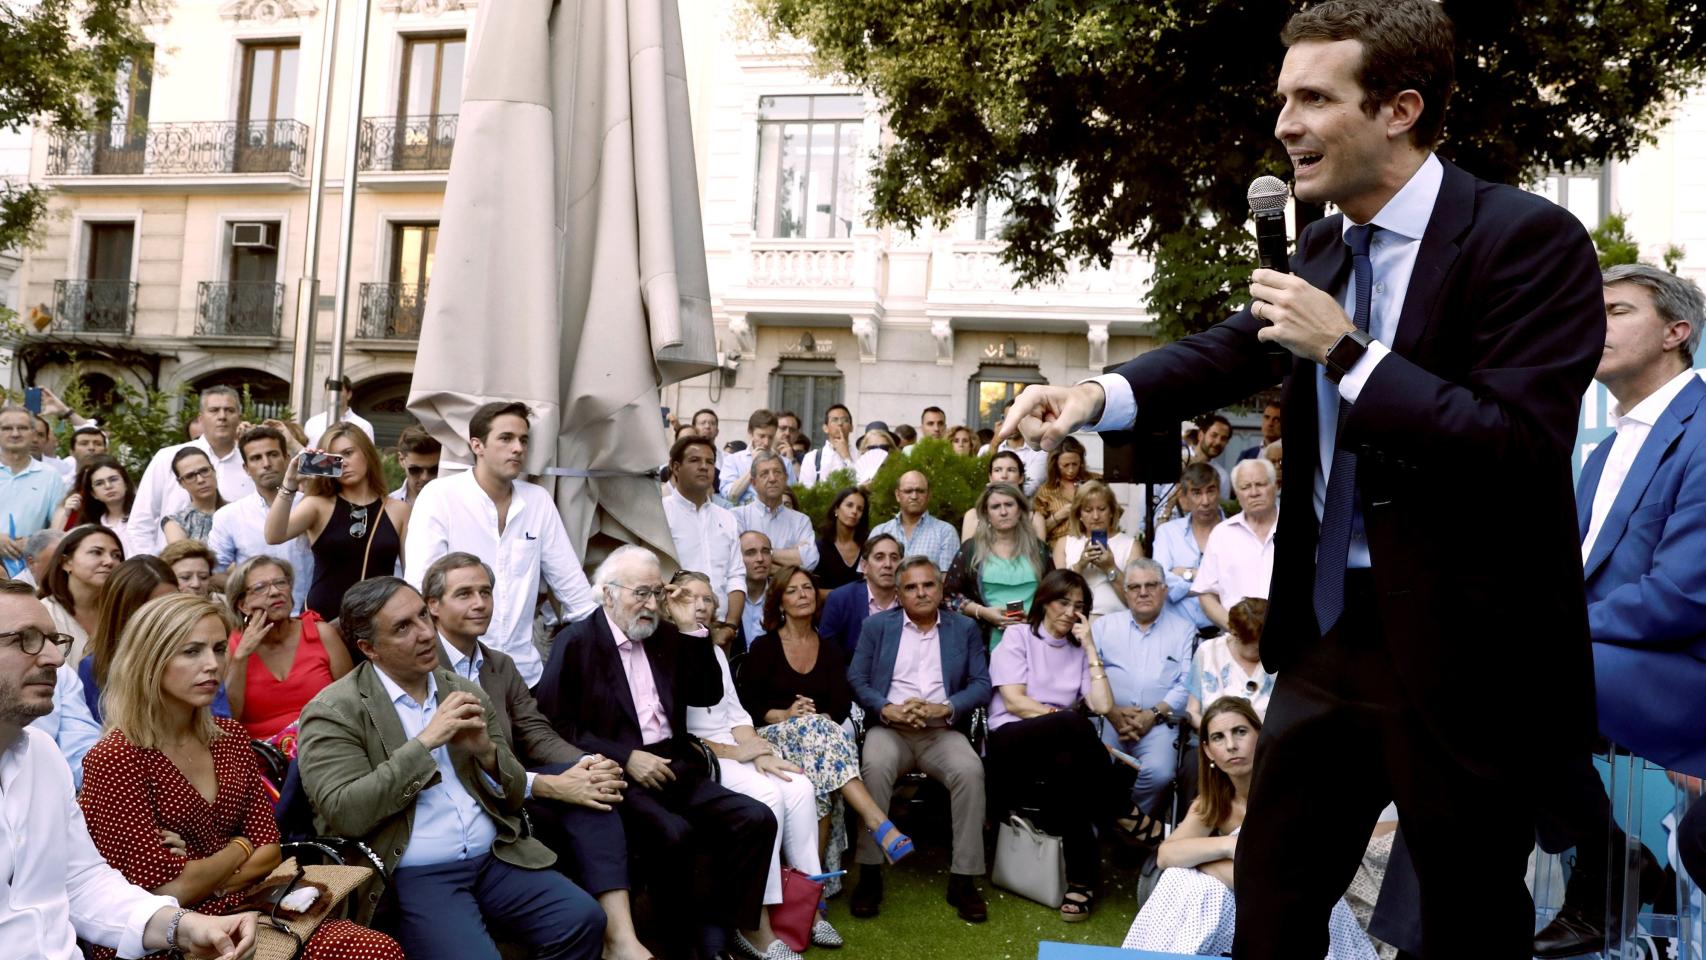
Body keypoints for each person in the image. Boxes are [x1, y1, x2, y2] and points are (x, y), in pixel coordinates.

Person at [999, 4, 1606, 954]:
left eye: (1313, 97)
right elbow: (1230, 348)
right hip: (1324, 637)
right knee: (1274, 904)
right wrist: (1096, 392)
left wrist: (1351, 355)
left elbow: (1515, 444)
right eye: (1283, 96)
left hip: (1465, 655)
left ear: (1400, 109)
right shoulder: (1321, 243)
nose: (1283, 123)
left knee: (1467, 918)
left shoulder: (1529, 240)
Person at [1527, 264, 1706, 957]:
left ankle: (1602, 861)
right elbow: (1560, 581)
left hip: (1681, 672)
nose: (1592, 325)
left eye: (1615, 311)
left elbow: (1684, 596)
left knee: (1512, 673)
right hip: (1599, 664)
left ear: (1675, 332)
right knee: (1456, 671)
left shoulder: (1700, 430)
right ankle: (1602, 856)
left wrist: (1547, 631)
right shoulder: (1601, 453)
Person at [77, 592, 405, 960]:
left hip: (256, 910)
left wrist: (220, 861)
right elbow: (168, 891)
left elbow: (269, 848)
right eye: (191, 651)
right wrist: (240, 848)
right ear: (149, 661)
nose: (212, 664)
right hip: (171, 938)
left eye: (219, 649)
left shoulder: (228, 735)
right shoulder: (116, 758)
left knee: (375, 948)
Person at [296, 577, 607, 958]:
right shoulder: (334, 711)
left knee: (583, 919)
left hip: (495, 856)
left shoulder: (460, 689)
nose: (426, 633)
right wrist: (425, 743)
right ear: (368, 648)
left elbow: (511, 798)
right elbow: (346, 812)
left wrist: (487, 755)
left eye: (423, 616)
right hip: (415, 872)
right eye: (403, 628)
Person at [531, 546, 778, 960]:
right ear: (608, 594)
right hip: (617, 770)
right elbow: (558, 725)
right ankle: (682, 944)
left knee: (755, 818)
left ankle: (723, 929)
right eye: (639, 593)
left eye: (655, 593)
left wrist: (690, 629)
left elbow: (707, 693)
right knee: (673, 834)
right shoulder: (577, 642)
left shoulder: (664, 634)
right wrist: (627, 757)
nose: (649, 604)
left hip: (675, 762)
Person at [0, 580, 261, 960]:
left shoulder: (42, 756)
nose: (55, 658)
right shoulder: (117, 754)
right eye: (25, 639)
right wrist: (240, 849)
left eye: (54, 640)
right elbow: (168, 880)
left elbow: (81, 882)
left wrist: (184, 927)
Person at [424, 553, 654, 960]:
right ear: (434, 606)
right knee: (582, 794)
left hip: (514, 782)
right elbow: (455, 758)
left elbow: (536, 732)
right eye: (464, 594)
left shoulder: (499, 664)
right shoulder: (423, 667)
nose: (480, 603)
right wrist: (550, 783)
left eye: (486, 592)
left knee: (594, 790)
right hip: (464, 797)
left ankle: (620, 938)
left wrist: (586, 763)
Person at [1121, 697, 1378, 958]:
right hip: (1247, 906)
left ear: (1261, 736)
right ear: (1208, 751)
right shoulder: (1215, 802)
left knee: (1192, 879)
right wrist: (1230, 846)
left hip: (1301, 912)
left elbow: (1276, 883)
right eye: (1219, 738)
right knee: (1180, 878)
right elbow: (1166, 855)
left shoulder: (1290, 795)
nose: (1231, 745)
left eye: (1240, 732)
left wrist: (1202, 862)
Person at [675, 570, 829, 960]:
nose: (700, 605)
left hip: (735, 746)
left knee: (798, 786)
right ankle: (756, 922)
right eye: (690, 596)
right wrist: (732, 754)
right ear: (669, 603)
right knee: (766, 797)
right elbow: (672, 732)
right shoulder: (665, 651)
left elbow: (736, 713)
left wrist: (758, 751)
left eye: (708, 598)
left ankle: (808, 907)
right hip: (703, 755)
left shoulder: (714, 651)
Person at [402, 401, 597, 687]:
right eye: (506, 438)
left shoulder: (537, 501)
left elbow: (574, 592)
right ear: (477, 446)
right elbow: (420, 589)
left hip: (524, 676)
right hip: (454, 676)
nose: (518, 448)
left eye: (523, 440)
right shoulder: (440, 496)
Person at [735, 566, 914, 875]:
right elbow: (749, 703)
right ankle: (878, 823)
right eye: (792, 590)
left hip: (818, 743)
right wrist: (787, 714)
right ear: (779, 602)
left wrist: (819, 717)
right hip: (772, 738)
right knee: (822, 734)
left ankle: (811, 886)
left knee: (818, 774)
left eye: (807, 588)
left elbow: (841, 702)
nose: (802, 595)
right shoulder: (764, 648)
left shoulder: (829, 648)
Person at [847, 556, 991, 922]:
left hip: (940, 732)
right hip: (890, 728)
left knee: (970, 770)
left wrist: (944, 708)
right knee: (874, 766)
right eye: (911, 587)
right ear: (898, 593)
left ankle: (964, 878)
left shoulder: (964, 628)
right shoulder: (877, 626)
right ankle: (870, 872)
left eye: (928, 584)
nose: (921, 592)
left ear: (941, 589)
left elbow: (981, 684)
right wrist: (887, 708)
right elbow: (857, 679)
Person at [985, 569, 1128, 922]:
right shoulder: (1018, 635)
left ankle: (1082, 882)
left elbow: (1102, 706)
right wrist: (1066, 722)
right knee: (1069, 722)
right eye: (1063, 602)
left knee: (1070, 768)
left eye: (1078, 606)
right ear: (1045, 601)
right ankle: (1123, 811)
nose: (1069, 611)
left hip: (1058, 749)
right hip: (1010, 742)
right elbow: (1016, 702)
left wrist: (1091, 646)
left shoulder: (1079, 651)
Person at [267, 421, 409, 623]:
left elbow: (412, 573)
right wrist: (290, 483)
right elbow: (273, 535)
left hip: (377, 622)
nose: (344, 463)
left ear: (367, 453)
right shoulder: (317, 505)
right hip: (322, 621)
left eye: (349, 453)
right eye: (335, 458)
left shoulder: (398, 510)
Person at [1094, 558, 1196, 827]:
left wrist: (1153, 714)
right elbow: (1087, 674)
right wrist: (1113, 713)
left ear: (1164, 590)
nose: (1143, 592)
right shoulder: (1104, 626)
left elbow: (1187, 683)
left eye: (1151, 585)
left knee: (1161, 774)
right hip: (1108, 721)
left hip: (1160, 724)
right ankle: (1101, 828)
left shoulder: (1184, 630)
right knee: (1091, 765)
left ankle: (1127, 828)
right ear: (1125, 592)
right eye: (1135, 586)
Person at [226, 556, 353, 741]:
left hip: (324, 746)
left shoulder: (321, 633)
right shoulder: (233, 646)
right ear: (243, 605)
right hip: (261, 759)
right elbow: (228, 720)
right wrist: (241, 657)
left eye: (281, 583)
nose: (275, 592)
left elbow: (353, 701)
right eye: (261, 587)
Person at [80, 555, 209, 724]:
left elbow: (219, 722)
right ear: (125, 612)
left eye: (172, 604)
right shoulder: (94, 666)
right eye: (154, 609)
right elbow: (97, 734)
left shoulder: (199, 655)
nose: (167, 615)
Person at [129, 387, 256, 557]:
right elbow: (140, 523)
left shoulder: (251, 462)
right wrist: (153, 571)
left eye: (229, 410)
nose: (222, 416)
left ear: (239, 417)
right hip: (172, 572)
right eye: (214, 410)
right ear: (200, 419)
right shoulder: (167, 457)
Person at [208, 424, 315, 612]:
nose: (266, 463)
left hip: (311, 615)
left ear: (287, 458)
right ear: (246, 468)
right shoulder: (229, 516)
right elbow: (215, 572)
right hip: (257, 619)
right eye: (256, 458)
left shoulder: (312, 506)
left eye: (273, 455)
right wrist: (252, 592)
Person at [945, 482, 1052, 647]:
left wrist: (1033, 618)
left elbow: (1055, 594)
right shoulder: (971, 550)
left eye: (1009, 504)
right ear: (986, 514)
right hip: (985, 642)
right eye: (995, 507)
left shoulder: (1039, 550)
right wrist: (983, 612)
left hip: (1036, 638)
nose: (1003, 512)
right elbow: (950, 596)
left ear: (1020, 510)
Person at [661, 432, 746, 622]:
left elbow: (736, 576)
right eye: (694, 460)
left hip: (719, 625)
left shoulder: (727, 518)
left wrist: (730, 626)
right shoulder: (661, 514)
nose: (704, 467)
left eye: (710, 462)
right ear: (675, 467)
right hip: (672, 624)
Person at [1192, 458, 1278, 632]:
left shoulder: (1301, 531)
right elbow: (1206, 593)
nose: (1254, 492)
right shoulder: (1222, 534)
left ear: (1275, 486)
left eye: (1260, 484)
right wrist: (1236, 629)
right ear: (1236, 494)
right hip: (1236, 642)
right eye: (1245, 487)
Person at [1151, 462, 1224, 634]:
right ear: (1184, 497)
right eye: (1197, 493)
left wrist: (1186, 574)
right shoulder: (1167, 533)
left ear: (1219, 492)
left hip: (1223, 635)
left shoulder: (1236, 534)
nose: (1205, 501)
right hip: (1175, 634)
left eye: (1210, 491)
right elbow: (1161, 582)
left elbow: (1236, 584)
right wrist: (1211, 582)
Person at [38, 523, 123, 665]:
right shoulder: (43, 613)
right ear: (66, 562)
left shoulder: (122, 612)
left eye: (116, 555)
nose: (109, 561)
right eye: (96, 552)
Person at [1051, 479, 1138, 616]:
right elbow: (1055, 597)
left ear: (1111, 512)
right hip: (1072, 624)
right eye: (1088, 510)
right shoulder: (1064, 543)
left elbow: (1136, 600)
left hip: (1116, 622)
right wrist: (1080, 565)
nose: (1096, 516)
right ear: (1079, 514)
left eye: (1102, 509)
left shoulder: (1130, 545)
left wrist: (1110, 568)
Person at [1186, 598, 1275, 728]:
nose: (1267, 651)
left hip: (1268, 743)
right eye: (1258, 648)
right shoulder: (1208, 652)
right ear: (1235, 634)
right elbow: (1192, 711)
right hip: (1217, 741)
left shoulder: (1282, 657)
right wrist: (1214, 736)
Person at [817, 533, 901, 659]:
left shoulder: (910, 600)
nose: (888, 564)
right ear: (864, 566)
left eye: (894, 558)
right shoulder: (840, 599)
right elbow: (828, 657)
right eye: (879, 557)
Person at [733, 452, 819, 571]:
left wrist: (765, 554)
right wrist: (792, 557)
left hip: (787, 589)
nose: (772, 479)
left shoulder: (801, 520)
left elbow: (810, 561)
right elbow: (738, 562)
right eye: (764, 474)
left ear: (786, 478)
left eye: (777, 472)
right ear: (753, 483)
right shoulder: (738, 517)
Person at [1, 406, 67, 559]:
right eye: (7, 428)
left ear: (33, 433)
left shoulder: (50, 476)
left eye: (23, 428)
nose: (15, 434)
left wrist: (33, 543)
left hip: (28, 568)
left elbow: (58, 529)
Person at [869, 470, 959, 572]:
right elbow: (868, 575)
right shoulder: (879, 531)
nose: (914, 496)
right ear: (897, 495)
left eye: (920, 491)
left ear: (928, 495)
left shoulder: (945, 532)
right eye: (908, 491)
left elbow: (946, 581)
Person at [53, 455, 138, 556]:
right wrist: (67, 515)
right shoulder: (90, 525)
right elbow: (58, 549)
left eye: (113, 479)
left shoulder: (144, 515)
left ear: (126, 484)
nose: (108, 486)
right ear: (93, 494)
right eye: (99, 483)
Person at [961, 450, 1047, 540]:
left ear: (1021, 478)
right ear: (990, 477)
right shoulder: (973, 516)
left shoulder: (1035, 519)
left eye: (1011, 470)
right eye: (997, 470)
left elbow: (1039, 553)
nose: (1004, 476)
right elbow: (966, 553)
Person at [722, 409, 797, 505]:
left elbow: (792, 499)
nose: (766, 442)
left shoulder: (785, 463)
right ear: (750, 433)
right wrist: (754, 467)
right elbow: (731, 496)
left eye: (770, 437)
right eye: (762, 436)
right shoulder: (733, 460)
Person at [1032, 436, 1095, 546]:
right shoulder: (1046, 491)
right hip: (1059, 549)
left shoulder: (1094, 482)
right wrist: (1058, 516)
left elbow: (1112, 516)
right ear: (1055, 464)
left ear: (1081, 462)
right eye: (1065, 465)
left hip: (1091, 545)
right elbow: (1037, 534)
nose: (1070, 470)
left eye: (1075, 464)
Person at [161, 447, 226, 544]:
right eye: (190, 476)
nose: (200, 480)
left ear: (214, 471)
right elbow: (182, 557)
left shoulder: (239, 511)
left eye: (204, 471)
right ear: (181, 483)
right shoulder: (176, 523)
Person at [813, 486, 868, 593]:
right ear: (836, 508)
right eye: (849, 505)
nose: (854, 511)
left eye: (860, 509)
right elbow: (813, 591)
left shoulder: (868, 546)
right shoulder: (819, 547)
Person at [301, 376, 377, 443]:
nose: (333, 394)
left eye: (338, 390)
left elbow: (368, 457)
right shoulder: (312, 423)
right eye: (329, 390)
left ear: (349, 394)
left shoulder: (363, 426)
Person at [799, 404, 856, 486]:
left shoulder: (860, 455)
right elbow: (805, 491)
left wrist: (847, 457)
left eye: (845, 420)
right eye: (834, 420)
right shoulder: (812, 457)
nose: (840, 423)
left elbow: (860, 484)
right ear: (825, 428)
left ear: (851, 428)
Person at [738, 530, 774, 650]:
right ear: (737, 558)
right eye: (750, 553)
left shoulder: (782, 596)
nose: (760, 558)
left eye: (765, 551)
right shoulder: (726, 597)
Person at [391, 424, 442, 503]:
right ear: (401, 460)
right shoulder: (386, 507)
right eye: (415, 469)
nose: (425, 477)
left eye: (434, 469)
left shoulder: (455, 504)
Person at [1190, 414, 1235, 497]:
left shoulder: (1222, 476)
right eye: (1214, 435)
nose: (1218, 442)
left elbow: (1220, 508)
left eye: (1223, 438)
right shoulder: (1182, 457)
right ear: (1200, 435)